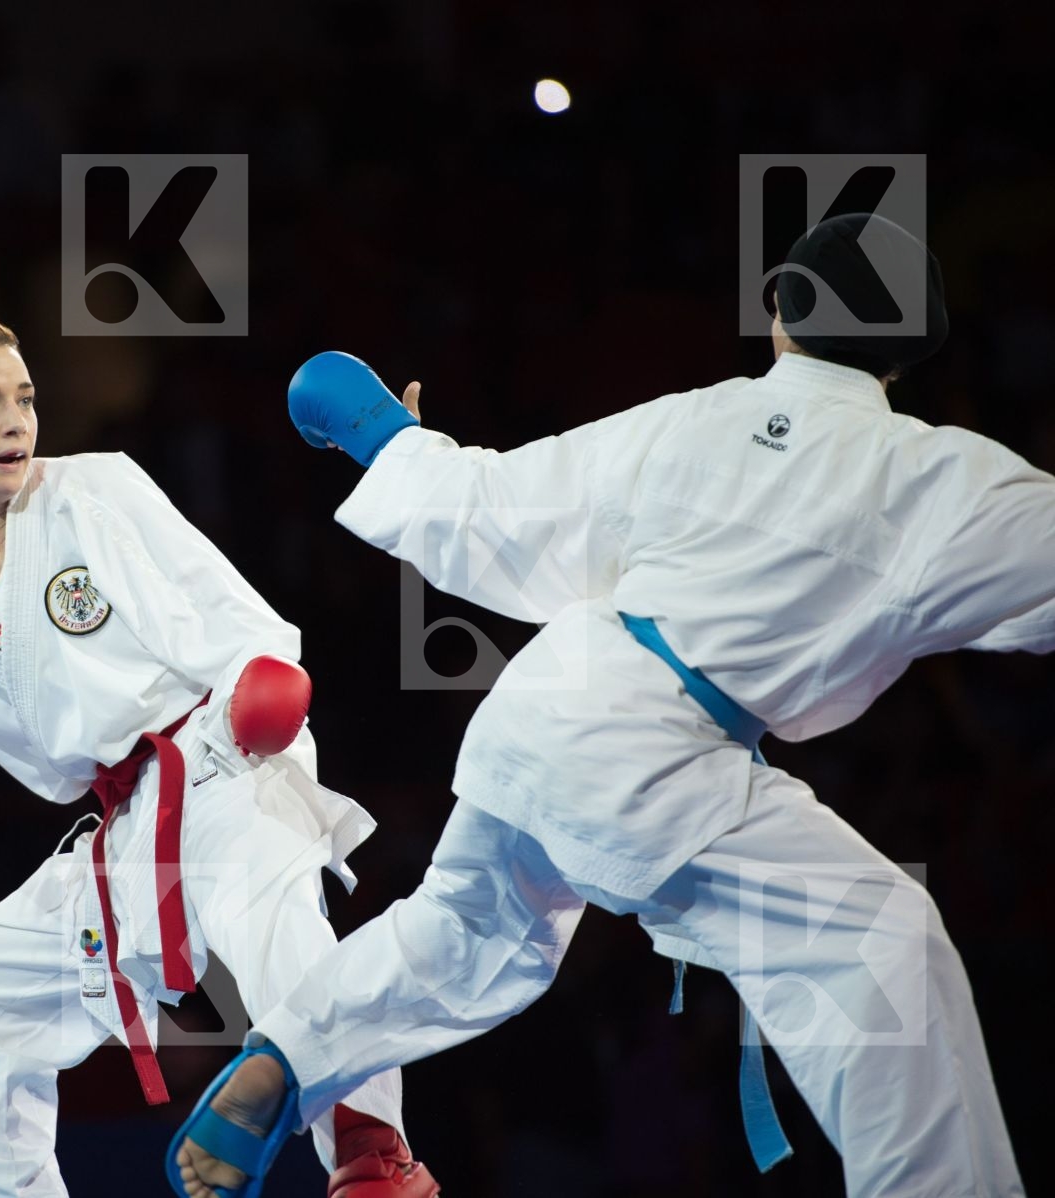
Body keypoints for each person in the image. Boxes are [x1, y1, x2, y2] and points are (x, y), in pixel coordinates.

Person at [171, 214, 1051, 1198]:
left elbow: (505, 501)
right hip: (660, 753)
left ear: (780, 314)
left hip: (555, 696)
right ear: (906, 353)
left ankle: (284, 1052)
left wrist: (391, 438)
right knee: (880, 941)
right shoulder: (938, 475)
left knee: (466, 932)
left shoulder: (691, 419)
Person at [0, 313, 439, 1198]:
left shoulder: (91, 492)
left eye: (23, 398)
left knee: (273, 923)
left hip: (217, 757)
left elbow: (231, 614)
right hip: (122, 827)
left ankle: (370, 1153)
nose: (16, 420)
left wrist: (261, 685)